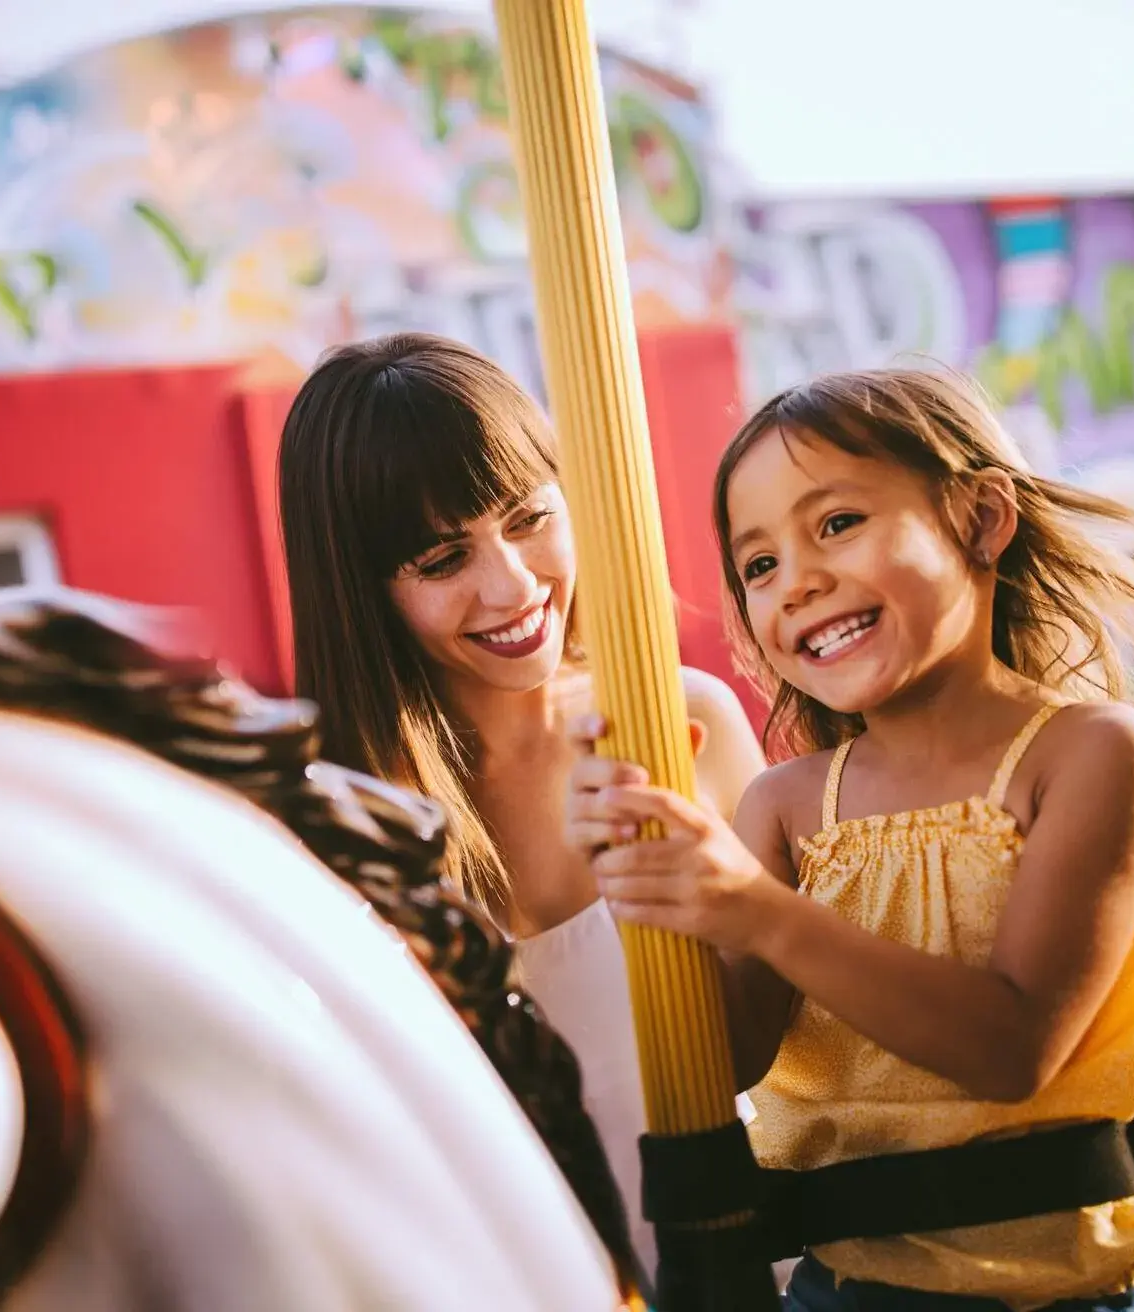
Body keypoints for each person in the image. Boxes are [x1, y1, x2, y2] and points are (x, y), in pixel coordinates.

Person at [562, 364, 1134, 1312]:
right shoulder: (788, 807)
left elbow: (1012, 1047)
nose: (797, 582)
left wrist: (754, 910)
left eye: (837, 524)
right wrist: (646, 868)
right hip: (846, 1289)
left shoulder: (1090, 755)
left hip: (1065, 1292)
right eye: (759, 565)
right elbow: (730, 1060)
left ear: (981, 518)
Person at [275, 331, 767, 1279]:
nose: (511, 584)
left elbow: (808, 1046)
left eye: (528, 516)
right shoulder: (330, 824)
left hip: (760, 1268)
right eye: (439, 558)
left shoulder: (681, 724)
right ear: (360, 590)